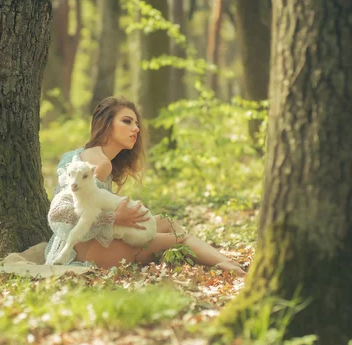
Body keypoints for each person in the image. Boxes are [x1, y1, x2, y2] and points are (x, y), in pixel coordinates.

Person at [44, 96, 246, 275]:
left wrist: (117, 219)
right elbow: (62, 213)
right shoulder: (99, 165)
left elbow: (89, 207)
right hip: (86, 250)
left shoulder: (78, 156)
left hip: (81, 243)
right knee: (179, 238)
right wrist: (115, 218)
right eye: (126, 121)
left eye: (136, 123)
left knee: (168, 223)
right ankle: (229, 265)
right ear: (106, 124)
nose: (136, 128)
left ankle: (225, 262)